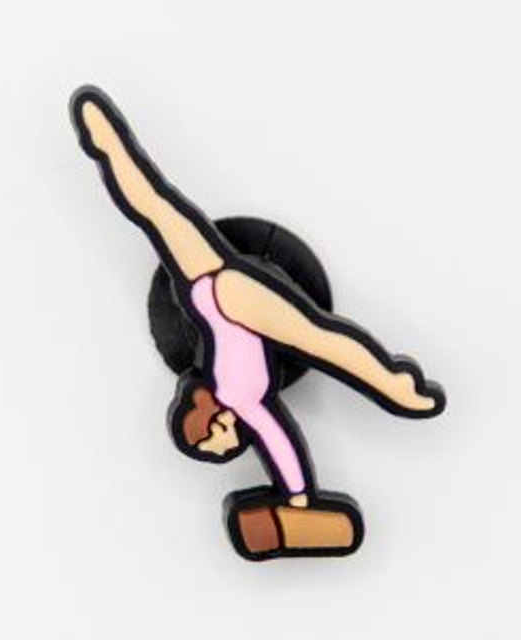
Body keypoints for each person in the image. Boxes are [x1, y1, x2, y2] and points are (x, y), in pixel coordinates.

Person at [71, 87, 445, 558]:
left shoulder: (240, 400)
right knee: (156, 210)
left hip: (232, 301)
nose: (229, 448)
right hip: (209, 286)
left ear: (214, 424)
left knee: (318, 338)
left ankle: (393, 385)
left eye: (217, 447)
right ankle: (108, 144)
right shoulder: (243, 402)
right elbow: (278, 442)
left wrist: (298, 496)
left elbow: (277, 441)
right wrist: (298, 499)